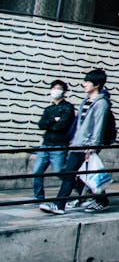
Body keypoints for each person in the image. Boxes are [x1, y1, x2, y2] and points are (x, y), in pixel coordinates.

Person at [48, 69, 113, 214]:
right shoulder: (85, 102)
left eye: (88, 82)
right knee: (83, 174)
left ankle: (59, 205)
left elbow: (99, 126)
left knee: (72, 174)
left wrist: (93, 146)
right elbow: (79, 126)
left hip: (87, 146)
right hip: (78, 144)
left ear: (96, 85)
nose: (84, 84)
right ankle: (101, 200)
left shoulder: (101, 104)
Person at [30, 79, 75, 208]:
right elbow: (41, 125)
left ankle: (79, 187)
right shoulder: (49, 109)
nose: (55, 91)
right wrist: (53, 120)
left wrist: (52, 123)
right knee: (37, 171)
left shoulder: (68, 107)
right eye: (53, 88)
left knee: (59, 171)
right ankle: (38, 197)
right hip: (45, 144)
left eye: (58, 88)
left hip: (59, 145)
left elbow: (62, 125)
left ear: (64, 91)